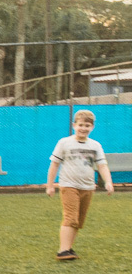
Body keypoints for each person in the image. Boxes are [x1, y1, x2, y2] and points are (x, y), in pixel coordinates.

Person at [45, 109, 114, 261]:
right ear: (74, 125)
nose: (83, 128)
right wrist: (50, 185)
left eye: (87, 126)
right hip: (69, 185)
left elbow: (102, 165)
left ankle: (68, 248)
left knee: (79, 220)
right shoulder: (64, 143)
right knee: (70, 218)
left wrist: (108, 181)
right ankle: (62, 250)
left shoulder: (95, 145)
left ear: (92, 128)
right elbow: (54, 164)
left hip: (88, 187)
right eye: (80, 125)